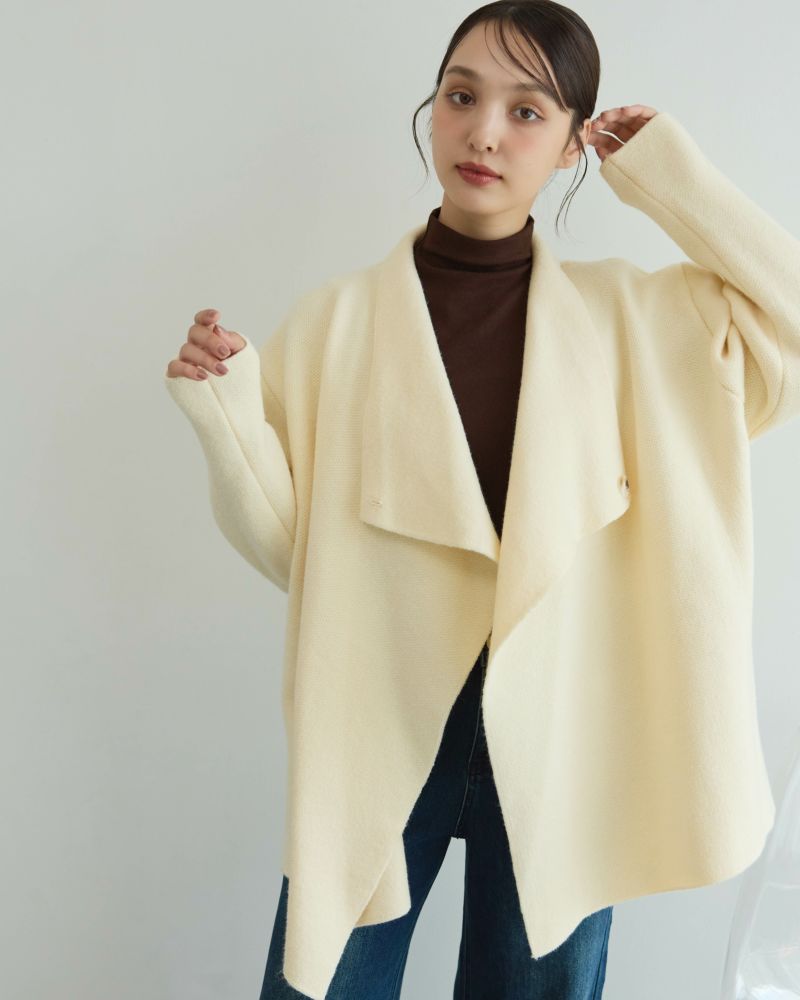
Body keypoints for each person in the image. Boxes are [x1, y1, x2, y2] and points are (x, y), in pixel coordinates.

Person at [163, 2, 800, 998]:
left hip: (566, 716)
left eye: (527, 110)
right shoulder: (335, 322)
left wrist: (666, 175)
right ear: (432, 110)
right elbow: (298, 554)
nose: (485, 132)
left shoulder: (639, 322)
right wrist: (226, 414)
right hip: (379, 715)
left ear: (574, 144)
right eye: (461, 97)